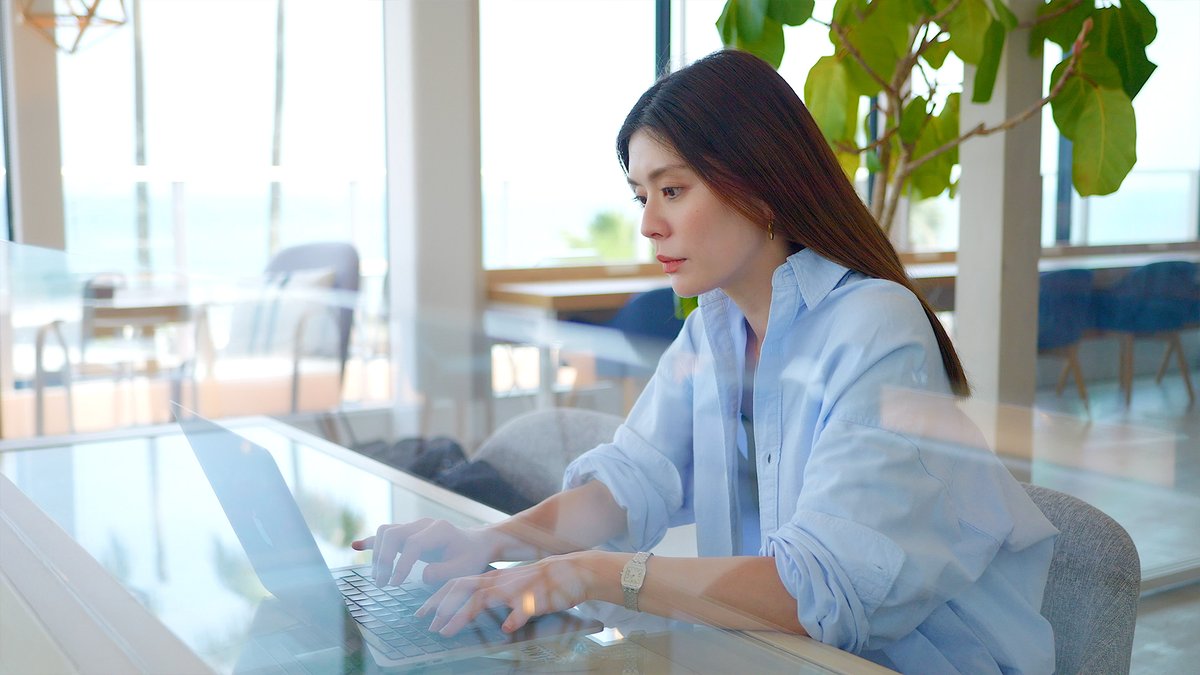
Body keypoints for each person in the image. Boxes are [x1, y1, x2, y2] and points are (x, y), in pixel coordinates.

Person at [353, 50, 1058, 673]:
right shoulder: (711, 335)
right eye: (640, 195)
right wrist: (485, 541)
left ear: (757, 182)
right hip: (760, 653)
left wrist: (588, 574)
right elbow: (628, 483)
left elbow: (817, 591)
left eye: (672, 189)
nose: (648, 223)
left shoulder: (876, 326)